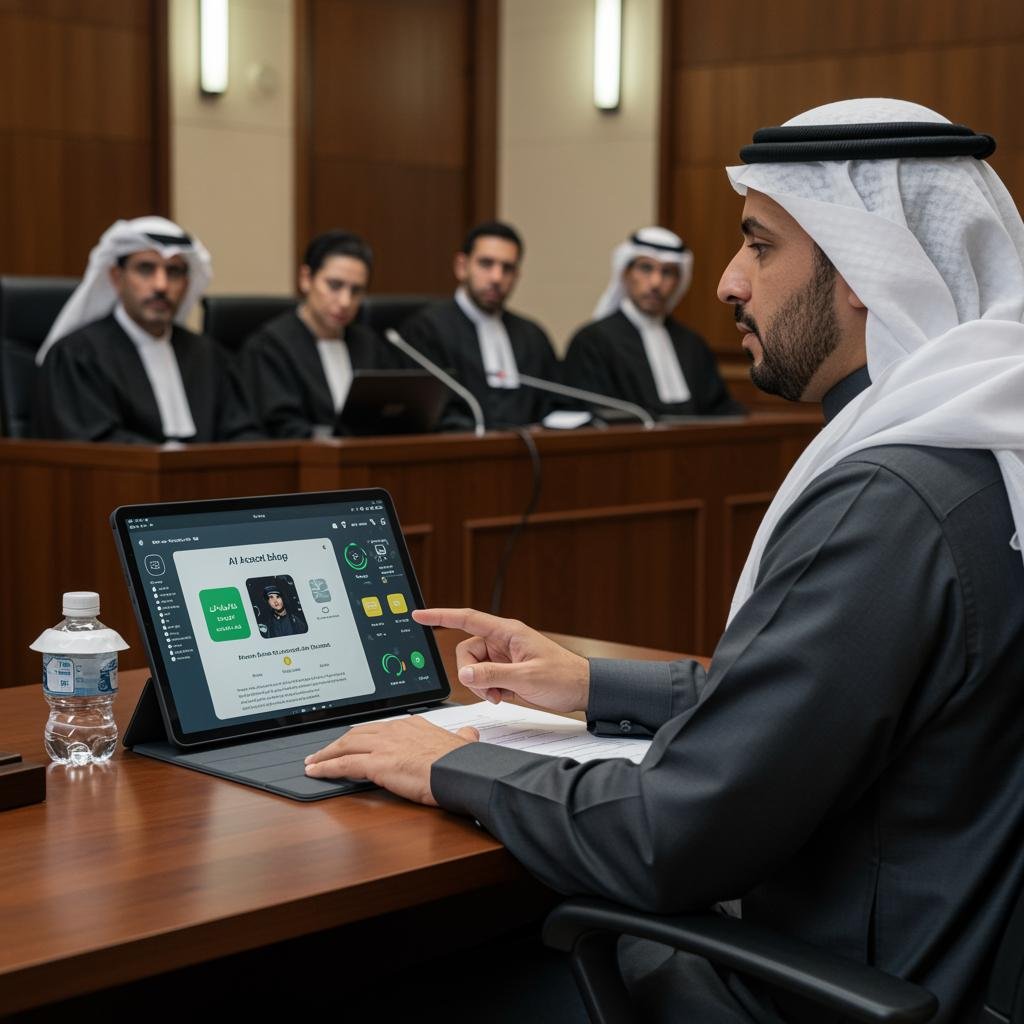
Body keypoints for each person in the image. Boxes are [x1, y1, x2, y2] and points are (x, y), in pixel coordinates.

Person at [304, 98, 1024, 1023]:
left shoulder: (890, 500)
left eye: (759, 245)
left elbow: (669, 836)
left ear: (864, 269)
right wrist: (590, 683)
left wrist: (445, 765)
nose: (727, 282)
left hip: (810, 992)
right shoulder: (981, 458)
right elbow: (827, 702)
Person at [33, 216, 261, 444]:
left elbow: (240, 430)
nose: (161, 285)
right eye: (146, 269)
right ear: (117, 278)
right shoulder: (77, 355)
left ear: (186, 284)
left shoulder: (208, 356)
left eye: (173, 272)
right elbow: (92, 443)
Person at [241, 230, 409, 438]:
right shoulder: (269, 347)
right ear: (306, 279)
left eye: (356, 291)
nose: (345, 301)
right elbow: (282, 426)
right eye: (335, 286)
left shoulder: (369, 344)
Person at [563, 227, 744, 418]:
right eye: (646, 268)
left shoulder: (693, 345)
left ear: (678, 282)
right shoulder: (592, 342)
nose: (656, 282)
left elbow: (720, 410)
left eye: (667, 272)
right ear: (625, 274)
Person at [396, 220, 561, 430]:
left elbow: (553, 405)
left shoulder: (533, 336)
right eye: (486, 264)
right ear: (462, 267)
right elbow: (428, 414)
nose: (497, 277)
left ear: (517, 276)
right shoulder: (426, 330)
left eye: (507, 268)